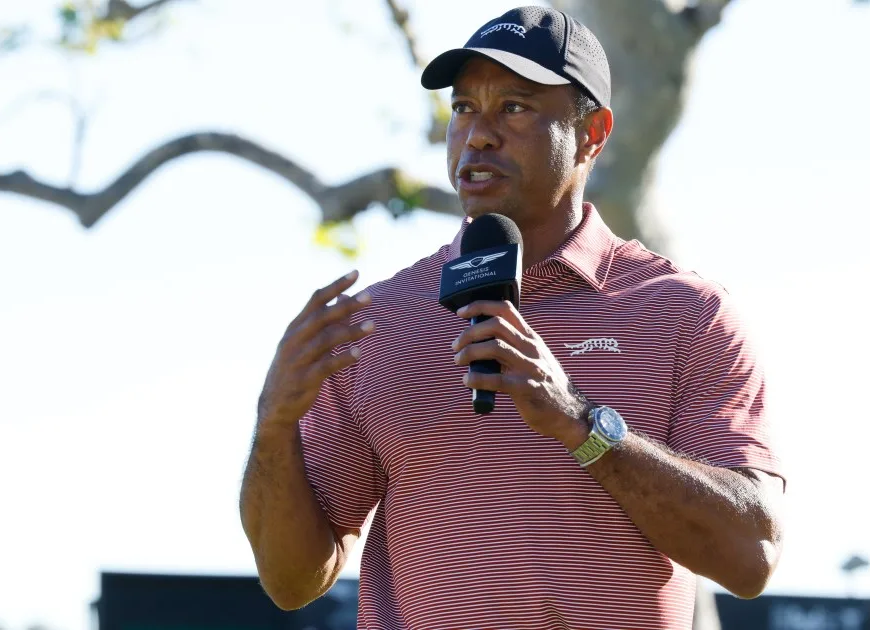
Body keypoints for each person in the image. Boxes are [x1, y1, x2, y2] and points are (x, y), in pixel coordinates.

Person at [239, 6, 786, 629]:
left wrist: (581, 424)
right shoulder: (376, 322)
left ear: (593, 133)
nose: (478, 135)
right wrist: (273, 427)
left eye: (514, 108)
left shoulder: (684, 313)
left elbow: (752, 556)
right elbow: (291, 581)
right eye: (464, 108)